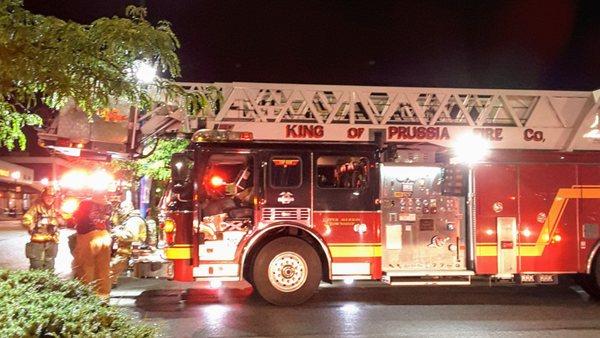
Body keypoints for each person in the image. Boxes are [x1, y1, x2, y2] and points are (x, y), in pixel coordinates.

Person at [72, 192, 112, 299]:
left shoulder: (85, 203)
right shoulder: (108, 204)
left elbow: (76, 217)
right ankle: (103, 295)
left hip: (89, 236)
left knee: (85, 265)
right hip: (105, 236)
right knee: (103, 267)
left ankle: (86, 294)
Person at [21, 187, 66, 271]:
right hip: (38, 241)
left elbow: (64, 222)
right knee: (36, 265)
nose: (50, 199)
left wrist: (60, 221)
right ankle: (36, 283)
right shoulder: (36, 207)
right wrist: (32, 226)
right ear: (43, 197)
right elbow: (26, 218)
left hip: (52, 241)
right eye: (47, 196)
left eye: (52, 197)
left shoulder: (56, 210)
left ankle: (48, 282)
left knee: (50, 265)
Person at [110, 200, 147, 285]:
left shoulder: (133, 220)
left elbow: (131, 236)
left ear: (128, 208)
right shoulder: (130, 220)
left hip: (128, 250)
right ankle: (110, 284)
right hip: (127, 249)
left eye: (122, 208)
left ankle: (107, 286)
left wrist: (116, 233)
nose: (121, 210)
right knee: (112, 268)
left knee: (112, 268)